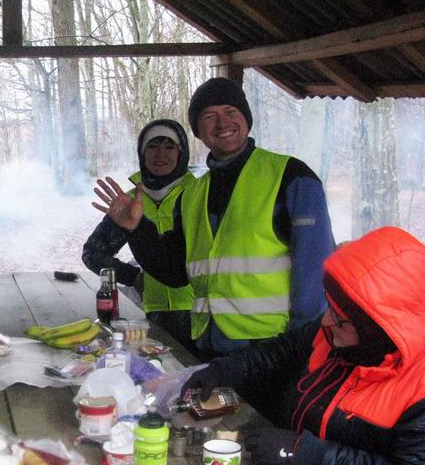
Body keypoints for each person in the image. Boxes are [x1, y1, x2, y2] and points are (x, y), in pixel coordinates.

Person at [181, 226, 425, 465]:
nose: (326, 321)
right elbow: (281, 351)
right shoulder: (338, 336)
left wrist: (301, 451)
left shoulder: (417, 385)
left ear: (380, 328)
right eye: (329, 309)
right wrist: (223, 371)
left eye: (339, 318)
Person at [93, 78, 334, 361]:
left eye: (231, 111)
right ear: (198, 132)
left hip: (275, 350)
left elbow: (318, 273)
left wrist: (301, 348)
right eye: (209, 116)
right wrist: (136, 229)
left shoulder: (291, 177)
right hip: (209, 346)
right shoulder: (193, 194)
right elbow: (174, 271)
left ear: (246, 118)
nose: (222, 123)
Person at [82, 119, 195, 347]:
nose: (160, 154)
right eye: (152, 146)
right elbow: (92, 252)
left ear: (181, 152)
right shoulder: (130, 202)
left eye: (169, 146)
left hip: (202, 314)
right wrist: (133, 277)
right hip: (155, 316)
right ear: (142, 153)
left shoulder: (200, 194)